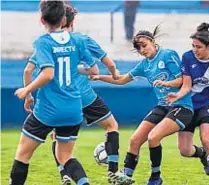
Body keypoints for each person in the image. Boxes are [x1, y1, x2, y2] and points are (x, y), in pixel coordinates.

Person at [23, 4, 133, 185]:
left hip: (59, 100)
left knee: (57, 137)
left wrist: (28, 93)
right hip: (85, 95)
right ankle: (113, 173)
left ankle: (64, 175)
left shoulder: (46, 42)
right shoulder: (82, 39)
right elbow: (107, 64)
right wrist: (114, 75)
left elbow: (29, 71)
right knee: (111, 125)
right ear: (69, 22)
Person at [90, 26, 194, 185]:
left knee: (153, 137)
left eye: (144, 45)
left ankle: (155, 178)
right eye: (138, 48)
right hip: (163, 106)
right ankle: (125, 176)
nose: (142, 50)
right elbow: (122, 80)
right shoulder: (144, 65)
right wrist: (99, 77)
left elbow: (183, 80)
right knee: (135, 139)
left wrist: (166, 83)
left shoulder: (167, 55)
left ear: (152, 41)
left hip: (181, 106)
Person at [9, 1, 94, 185]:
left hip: (48, 111)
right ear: (64, 19)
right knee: (65, 156)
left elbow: (48, 74)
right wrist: (73, 68)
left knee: (23, 154)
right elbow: (92, 70)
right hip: (73, 109)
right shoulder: (77, 40)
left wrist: (27, 90)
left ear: (42, 20)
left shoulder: (43, 42)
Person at [166, 22, 209, 185]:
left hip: (207, 105)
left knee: (206, 139)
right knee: (184, 150)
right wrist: (177, 95)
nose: (195, 50)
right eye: (193, 46)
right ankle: (203, 155)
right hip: (188, 106)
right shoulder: (187, 57)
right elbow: (187, 85)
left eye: (199, 47)